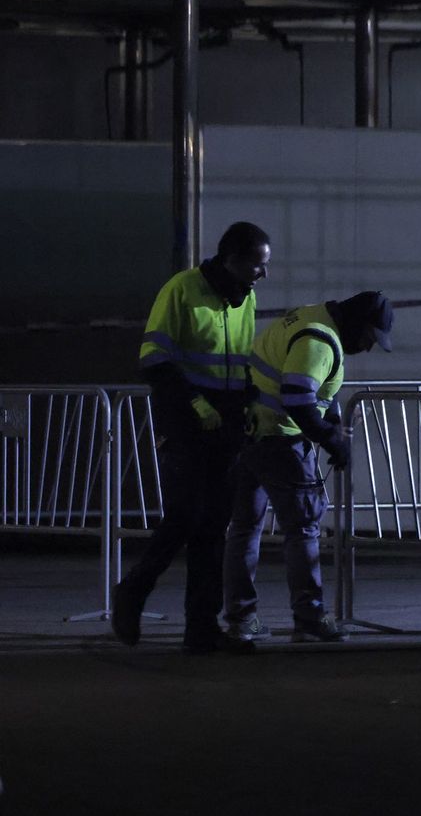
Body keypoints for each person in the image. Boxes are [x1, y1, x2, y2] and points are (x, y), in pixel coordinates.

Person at [113, 221, 271, 653]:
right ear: (232, 260)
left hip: (227, 423)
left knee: (212, 527)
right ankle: (132, 590)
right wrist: (195, 403)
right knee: (185, 514)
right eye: (258, 264)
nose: (263, 274)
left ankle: (201, 629)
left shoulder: (246, 298)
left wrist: (250, 401)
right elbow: (154, 359)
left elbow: (241, 361)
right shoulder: (181, 290)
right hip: (184, 420)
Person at [221, 291, 393, 651]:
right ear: (357, 323)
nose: (368, 347)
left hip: (249, 433)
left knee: (244, 529)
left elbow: (307, 390)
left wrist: (328, 418)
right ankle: (309, 618)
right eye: (368, 338)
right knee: (302, 530)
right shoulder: (320, 341)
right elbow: (298, 397)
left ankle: (240, 618)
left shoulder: (308, 316)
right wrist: (332, 439)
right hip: (282, 441)